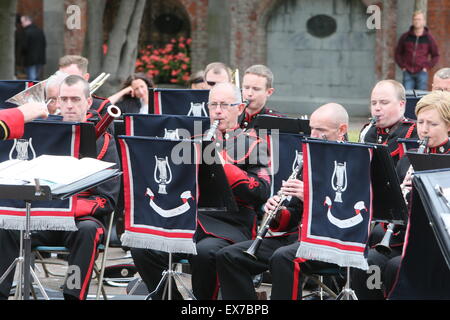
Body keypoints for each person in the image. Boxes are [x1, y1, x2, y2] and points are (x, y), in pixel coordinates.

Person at [130, 82, 271, 300]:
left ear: (240, 108)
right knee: (143, 247)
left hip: (231, 224)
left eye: (224, 105)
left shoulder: (253, 142)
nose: (217, 111)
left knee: (205, 252)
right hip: (189, 221)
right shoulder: (192, 141)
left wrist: (224, 166)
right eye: (213, 104)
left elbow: (261, 191)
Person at [0, 75, 120, 300]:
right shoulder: (42, 133)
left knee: (89, 231)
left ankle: (73, 294)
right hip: (38, 215)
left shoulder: (103, 139)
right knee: (5, 224)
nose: (68, 105)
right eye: (63, 99)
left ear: (88, 102)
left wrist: (66, 208)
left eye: (75, 99)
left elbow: (107, 199)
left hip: (77, 220)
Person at [215, 103, 349, 300]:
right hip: (299, 237)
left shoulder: (355, 160)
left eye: (321, 130)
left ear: (342, 131)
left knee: (284, 258)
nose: (313, 135)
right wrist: (277, 213)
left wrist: (311, 197)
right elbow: (293, 215)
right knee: (229, 257)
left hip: (332, 239)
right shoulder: (310, 159)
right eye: (312, 128)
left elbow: (351, 212)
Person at [352, 90, 450, 299]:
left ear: (448, 126)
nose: (424, 130)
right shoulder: (409, 158)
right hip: (403, 237)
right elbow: (393, 205)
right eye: (421, 122)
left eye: (432, 124)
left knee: (396, 267)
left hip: (438, 243)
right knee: (368, 262)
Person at [359, 80, 418, 166]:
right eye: (374, 103)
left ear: (401, 105)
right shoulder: (367, 131)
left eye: (384, 102)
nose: (377, 108)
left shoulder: (413, 131)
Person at [394, 10, 439, 91]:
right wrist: (403, 66)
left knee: (421, 97)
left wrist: (426, 67)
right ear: (412, 21)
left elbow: (436, 55)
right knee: (407, 96)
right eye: (415, 19)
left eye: (419, 19)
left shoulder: (429, 38)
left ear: (424, 21)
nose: (417, 21)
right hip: (407, 72)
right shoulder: (405, 36)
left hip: (422, 73)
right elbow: (398, 53)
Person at [239, 65, 285, 130]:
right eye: (246, 87)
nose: (249, 93)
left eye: (256, 89)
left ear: (269, 92)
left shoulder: (278, 122)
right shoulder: (230, 116)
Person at [20, 15, 46, 81]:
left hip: (29, 59)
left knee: (31, 79)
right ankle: (36, 90)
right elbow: (44, 44)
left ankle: (31, 91)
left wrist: (22, 55)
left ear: (27, 21)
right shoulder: (40, 31)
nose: (21, 24)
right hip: (40, 58)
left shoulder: (26, 32)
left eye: (22, 22)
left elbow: (24, 47)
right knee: (36, 78)